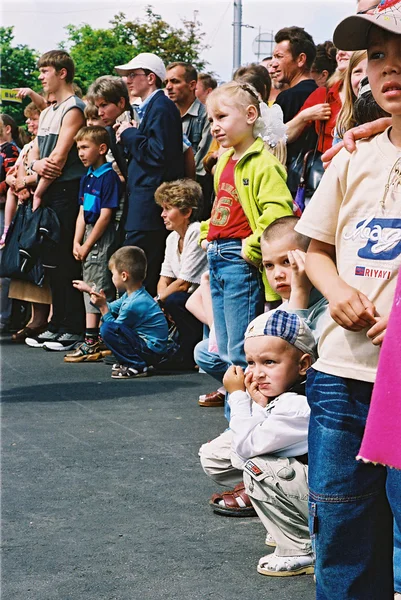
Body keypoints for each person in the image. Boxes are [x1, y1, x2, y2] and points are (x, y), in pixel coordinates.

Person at [295, 6, 401, 597]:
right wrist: (336, 293)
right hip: (342, 376)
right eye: (379, 58)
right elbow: (314, 248)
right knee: (340, 528)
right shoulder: (356, 157)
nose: (390, 72)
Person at [200, 215, 327, 515]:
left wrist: (300, 293)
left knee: (252, 453)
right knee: (214, 456)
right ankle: (266, 488)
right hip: (275, 420)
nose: (279, 273)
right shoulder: (271, 316)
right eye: (269, 265)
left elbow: (300, 346)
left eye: (288, 261)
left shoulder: (327, 311)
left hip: (305, 424)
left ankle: (279, 494)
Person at [195, 82, 293, 409]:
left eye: (222, 116)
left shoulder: (264, 163)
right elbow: (224, 207)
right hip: (218, 255)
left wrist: (250, 247)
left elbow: (278, 213)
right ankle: (241, 422)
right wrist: (209, 230)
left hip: (239, 259)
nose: (215, 126)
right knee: (223, 349)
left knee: (239, 351)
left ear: (251, 115)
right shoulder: (224, 162)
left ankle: (243, 425)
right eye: (211, 119)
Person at [201, 310, 316, 576]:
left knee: (257, 469)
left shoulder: (299, 405)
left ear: (303, 365)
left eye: (269, 362)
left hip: (321, 495)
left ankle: (302, 547)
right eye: (251, 363)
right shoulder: (285, 393)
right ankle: (285, 518)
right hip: (302, 480)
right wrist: (260, 405)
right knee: (215, 455)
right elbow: (246, 443)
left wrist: (239, 397)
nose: (256, 373)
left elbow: (246, 451)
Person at [25, 50, 86, 351]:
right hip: (48, 190)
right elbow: (37, 156)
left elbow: (58, 159)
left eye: (45, 71)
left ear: (62, 73)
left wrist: (38, 181)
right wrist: (35, 168)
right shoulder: (48, 111)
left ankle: (72, 327)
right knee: (51, 263)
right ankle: (57, 323)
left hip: (66, 190)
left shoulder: (74, 108)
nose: (40, 77)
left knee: (65, 260)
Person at [112, 54, 185, 297]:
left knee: (133, 269)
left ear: (151, 78)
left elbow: (158, 154)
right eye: (127, 76)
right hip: (144, 204)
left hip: (149, 208)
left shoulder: (161, 107)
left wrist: (130, 134)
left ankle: (131, 329)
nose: (128, 80)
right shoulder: (154, 107)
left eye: (133, 75)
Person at [62, 126, 120, 362]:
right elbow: (81, 212)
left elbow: (105, 215)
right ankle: (94, 337)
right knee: (89, 279)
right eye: (78, 148)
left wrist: (88, 244)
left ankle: (92, 339)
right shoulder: (87, 177)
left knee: (96, 284)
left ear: (102, 148)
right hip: (87, 233)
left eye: (85, 147)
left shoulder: (108, 177)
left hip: (100, 236)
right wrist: (77, 241)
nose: (80, 153)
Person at [82, 246, 169, 379]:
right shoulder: (130, 295)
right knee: (109, 327)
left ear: (124, 276)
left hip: (152, 350)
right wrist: (91, 292)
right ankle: (131, 361)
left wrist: (103, 308)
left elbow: (114, 329)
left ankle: (136, 365)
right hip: (147, 346)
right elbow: (110, 308)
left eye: (113, 274)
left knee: (107, 329)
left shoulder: (134, 303)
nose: (112, 278)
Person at [4, 104, 51, 342]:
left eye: (34, 119)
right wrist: (14, 180)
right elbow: (12, 173)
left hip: (37, 208)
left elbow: (43, 173)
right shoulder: (28, 146)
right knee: (23, 263)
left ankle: (41, 319)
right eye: (29, 120)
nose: (30, 124)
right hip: (23, 208)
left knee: (35, 262)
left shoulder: (43, 144)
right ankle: (33, 317)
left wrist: (22, 182)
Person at [154, 179, 208, 369]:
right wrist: (160, 301)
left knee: (175, 299)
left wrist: (158, 301)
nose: (163, 214)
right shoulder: (172, 238)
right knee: (171, 300)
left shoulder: (196, 231)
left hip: (203, 301)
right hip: (185, 299)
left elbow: (183, 284)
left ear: (186, 212)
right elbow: (164, 278)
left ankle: (188, 351)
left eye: (168, 209)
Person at [270, 26, 318, 196]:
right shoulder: (321, 92)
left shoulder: (288, 98)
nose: (272, 63)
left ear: (301, 60)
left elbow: (272, 141)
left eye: (279, 57)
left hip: (290, 184)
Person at [165, 62, 213, 219]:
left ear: (192, 85)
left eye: (175, 81)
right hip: (168, 198)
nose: (169, 87)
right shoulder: (166, 116)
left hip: (196, 198)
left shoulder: (206, 115)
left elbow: (201, 164)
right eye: (166, 82)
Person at [285, 47, 352, 154]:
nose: (340, 53)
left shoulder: (375, 95)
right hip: (326, 167)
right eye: (338, 49)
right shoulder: (323, 95)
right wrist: (305, 116)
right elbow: (285, 135)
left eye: (349, 46)